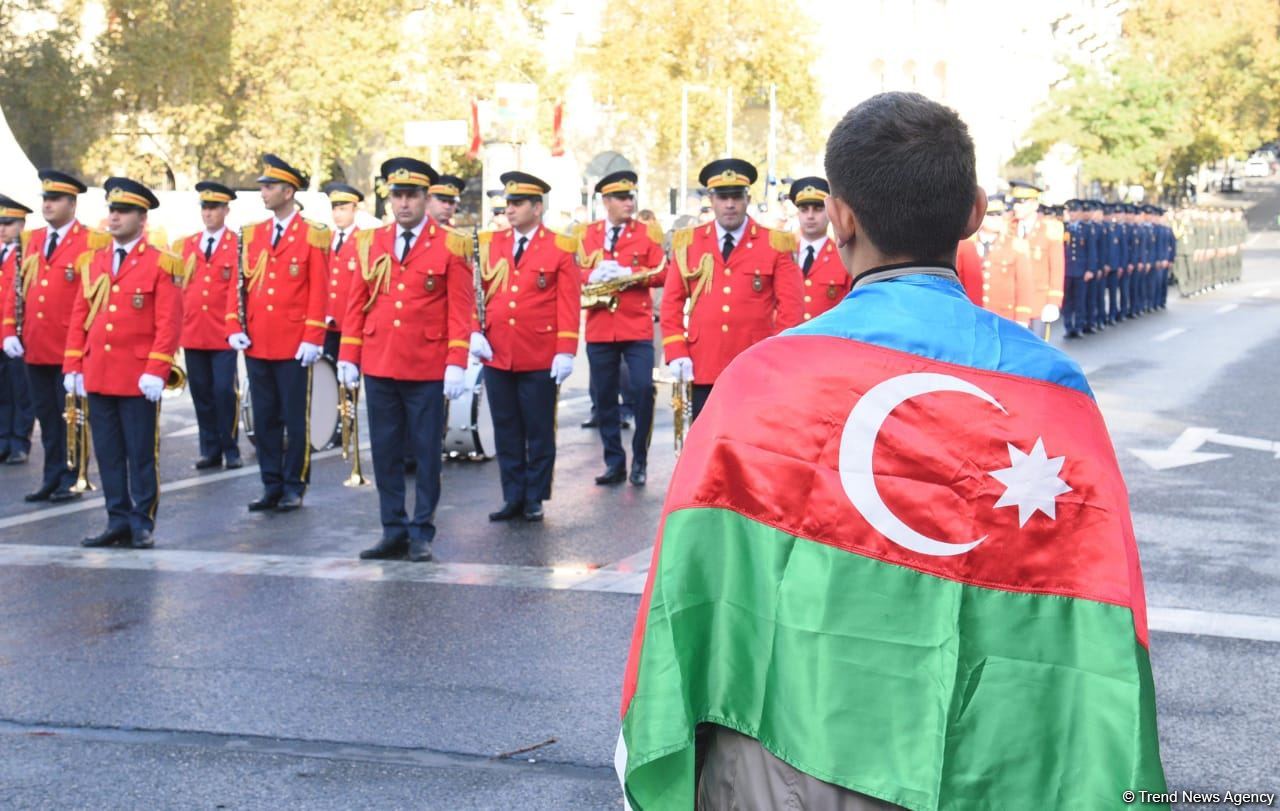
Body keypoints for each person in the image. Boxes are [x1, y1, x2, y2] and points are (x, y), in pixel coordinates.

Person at [618, 90, 1166, 810]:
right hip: (998, 762)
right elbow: (1101, 614)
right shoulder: (1054, 391)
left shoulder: (762, 380)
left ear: (839, 216)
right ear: (974, 211)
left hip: (786, 760)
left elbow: (689, 596)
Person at [338, 158, 474, 562]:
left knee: (426, 452)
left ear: (426, 198)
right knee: (385, 450)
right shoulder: (370, 242)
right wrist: (349, 353)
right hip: (381, 362)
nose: (404, 204)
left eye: (412, 195)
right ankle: (392, 528)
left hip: (427, 365)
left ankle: (422, 531)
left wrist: (456, 360)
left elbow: (460, 308)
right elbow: (355, 303)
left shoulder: (452, 244)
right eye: (397, 195)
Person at [64, 178, 183, 549]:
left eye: (123, 211)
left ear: (141, 217)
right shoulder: (92, 261)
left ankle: (142, 521)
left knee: (141, 453)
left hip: (137, 375)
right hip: (99, 371)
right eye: (111, 211)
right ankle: (116, 519)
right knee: (109, 454)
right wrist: (73, 365)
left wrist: (157, 368)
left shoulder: (160, 263)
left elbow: (169, 322)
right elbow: (79, 315)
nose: (113, 218)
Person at [469, 172, 578, 522]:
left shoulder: (560, 247)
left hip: (539, 352)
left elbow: (568, 302)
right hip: (498, 351)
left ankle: (535, 496)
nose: (510, 210)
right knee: (506, 427)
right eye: (507, 204)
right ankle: (512, 494)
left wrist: (566, 349)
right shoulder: (490, 244)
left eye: (517, 204)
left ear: (537, 207)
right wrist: (474, 330)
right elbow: (473, 293)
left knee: (539, 428)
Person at [659, 158, 802, 421]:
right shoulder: (687, 242)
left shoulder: (775, 243)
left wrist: (777, 357)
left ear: (747, 199)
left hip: (754, 364)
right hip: (702, 362)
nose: (729, 204)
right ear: (711, 199)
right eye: (722, 197)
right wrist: (676, 351)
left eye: (736, 196)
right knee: (706, 445)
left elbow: (790, 309)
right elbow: (671, 303)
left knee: (751, 444)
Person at [225, 154, 329, 513]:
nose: (263, 192)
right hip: (258, 341)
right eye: (263, 186)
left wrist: (313, 337)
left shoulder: (313, 234)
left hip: (293, 342)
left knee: (295, 420)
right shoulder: (253, 234)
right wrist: (233, 325)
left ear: (288, 191)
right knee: (265, 418)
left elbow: (319, 288)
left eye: (269, 187)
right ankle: (270, 483)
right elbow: (238, 285)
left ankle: (294, 484)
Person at [2, 170, 108, 503]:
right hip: (36, 344)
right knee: (47, 417)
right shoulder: (30, 239)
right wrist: (8, 329)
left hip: (69, 347)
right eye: (45, 199)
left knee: (72, 416)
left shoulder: (92, 241)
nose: (47, 205)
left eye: (55, 199)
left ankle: (72, 475)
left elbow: (98, 297)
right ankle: (51, 475)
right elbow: (16, 290)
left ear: (72, 204)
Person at [576, 170, 666, 487]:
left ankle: (639, 458)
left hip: (635, 324)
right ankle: (614, 461)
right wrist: (591, 275)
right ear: (606, 201)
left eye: (631, 197)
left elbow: (662, 273)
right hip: (601, 326)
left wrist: (630, 271)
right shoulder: (587, 234)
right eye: (622, 198)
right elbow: (574, 270)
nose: (629, 203)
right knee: (603, 397)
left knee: (642, 389)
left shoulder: (648, 233)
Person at [173, 181, 242, 470]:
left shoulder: (237, 244)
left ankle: (231, 447)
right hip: (193, 331)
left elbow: (237, 290)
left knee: (224, 391)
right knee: (201, 392)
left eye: (215, 207)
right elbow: (178, 290)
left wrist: (234, 326)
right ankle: (209, 448)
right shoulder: (185, 245)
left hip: (222, 332)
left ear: (226, 210)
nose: (209, 213)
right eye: (205, 207)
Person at [0, 194, 34, 464]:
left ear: (21, 225)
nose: (1, 229)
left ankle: (19, 441)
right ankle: (3, 439)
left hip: (17, 334)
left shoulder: (26, 255)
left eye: (8, 223)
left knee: (20, 390)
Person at [789, 176, 850, 322]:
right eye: (804, 209)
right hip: (787, 339)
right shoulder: (784, 253)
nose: (810, 216)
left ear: (829, 212)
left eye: (818, 209)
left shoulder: (843, 256)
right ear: (797, 213)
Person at [321, 182, 363, 360]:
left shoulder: (364, 241)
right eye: (335, 209)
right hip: (324, 321)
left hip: (350, 323)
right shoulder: (324, 239)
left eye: (343, 209)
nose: (337, 214)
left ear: (355, 210)